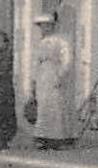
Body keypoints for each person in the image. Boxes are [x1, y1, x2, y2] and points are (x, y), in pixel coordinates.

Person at [31, 18, 75, 150]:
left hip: (54, 74)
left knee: (55, 106)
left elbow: (67, 60)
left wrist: (60, 75)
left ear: (53, 27)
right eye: (42, 27)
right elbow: (35, 62)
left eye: (47, 26)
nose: (45, 29)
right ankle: (42, 137)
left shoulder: (61, 42)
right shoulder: (41, 42)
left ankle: (57, 138)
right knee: (43, 106)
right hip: (42, 76)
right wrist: (33, 79)